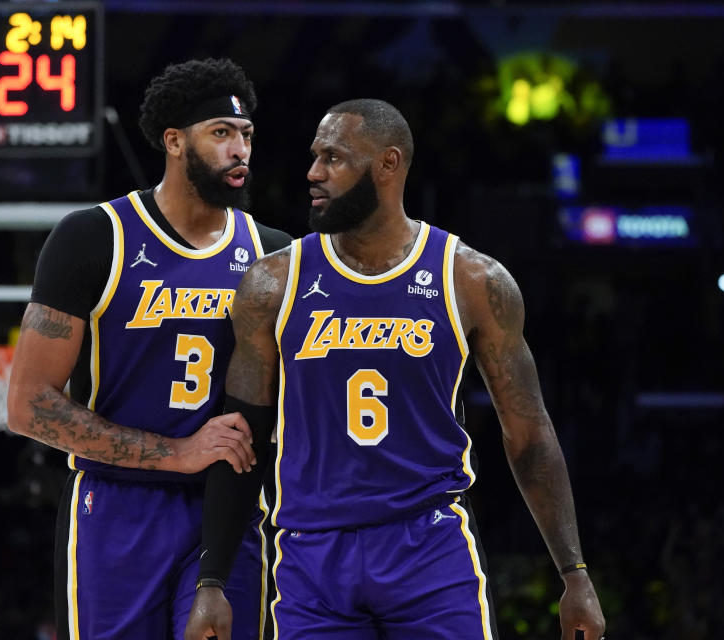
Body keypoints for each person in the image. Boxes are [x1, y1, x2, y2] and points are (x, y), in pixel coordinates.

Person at [184, 99, 606, 640]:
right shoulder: (272, 284)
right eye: (315, 156)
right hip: (312, 554)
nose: (313, 173)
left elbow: (528, 434)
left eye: (333, 158)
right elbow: (240, 438)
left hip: (429, 548)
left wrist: (575, 573)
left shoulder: (472, 279)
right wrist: (212, 579)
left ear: (388, 164)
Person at [6, 58, 291, 640]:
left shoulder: (273, 255)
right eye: (221, 134)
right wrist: (177, 453)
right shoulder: (92, 238)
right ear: (174, 141)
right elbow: (28, 404)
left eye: (247, 136)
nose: (240, 150)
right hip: (115, 506)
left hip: (226, 509)